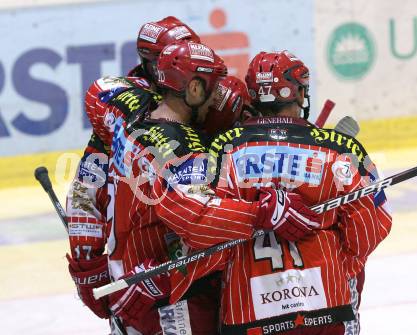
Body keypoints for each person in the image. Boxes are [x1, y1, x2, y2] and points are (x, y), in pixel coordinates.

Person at [166, 50, 392, 335]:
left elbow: (203, 225)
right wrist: (339, 262)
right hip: (326, 308)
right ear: (299, 93)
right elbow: (373, 225)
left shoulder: (225, 147)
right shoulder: (338, 148)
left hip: (247, 310)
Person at [64, 16, 201, 334]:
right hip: (138, 272)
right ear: (155, 66)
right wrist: (87, 259)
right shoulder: (127, 108)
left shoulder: (203, 99)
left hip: (190, 273)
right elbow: (87, 186)